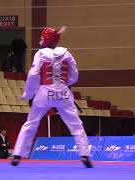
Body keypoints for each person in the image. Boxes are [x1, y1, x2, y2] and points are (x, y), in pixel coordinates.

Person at [11, 27, 93, 168]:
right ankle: (85, 154)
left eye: (42, 37)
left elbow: (33, 74)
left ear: (47, 39)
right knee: (76, 124)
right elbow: (75, 75)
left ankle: (18, 154)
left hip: (44, 92)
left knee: (31, 122)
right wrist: (63, 84)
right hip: (63, 92)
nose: (40, 40)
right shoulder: (67, 54)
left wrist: (28, 93)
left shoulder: (40, 54)